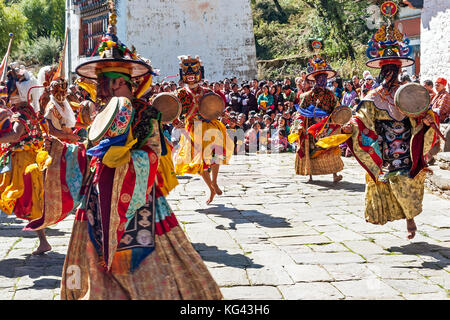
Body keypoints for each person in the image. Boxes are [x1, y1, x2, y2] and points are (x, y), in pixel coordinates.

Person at [60, 14, 222, 299]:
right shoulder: (101, 113)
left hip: (139, 198)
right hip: (98, 195)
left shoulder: (146, 113)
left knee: (152, 267)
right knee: (91, 260)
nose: (96, 89)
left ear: (117, 84)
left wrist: (121, 159)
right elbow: (91, 151)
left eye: (102, 83)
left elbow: (153, 154)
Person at [343, 24, 440, 240]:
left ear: (398, 70)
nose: (389, 74)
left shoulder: (409, 92)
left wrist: (426, 119)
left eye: (393, 70)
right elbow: (362, 118)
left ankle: (410, 218)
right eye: (385, 70)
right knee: (387, 180)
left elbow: (426, 112)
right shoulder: (372, 95)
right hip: (383, 147)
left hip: (408, 142)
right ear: (380, 71)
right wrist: (352, 126)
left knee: (404, 179)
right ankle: (396, 216)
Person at [174, 55, 234, 205]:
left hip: (211, 125)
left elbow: (217, 107)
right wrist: (176, 122)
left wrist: (227, 117)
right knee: (199, 163)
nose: (191, 77)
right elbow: (172, 110)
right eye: (188, 75)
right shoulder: (180, 94)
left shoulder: (207, 91)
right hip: (193, 129)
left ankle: (214, 182)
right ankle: (211, 187)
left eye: (194, 74)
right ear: (184, 76)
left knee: (216, 155)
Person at [289, 55, 344, 183]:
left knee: (330, 148)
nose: (322, 81)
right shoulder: (307, 96)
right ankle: (310, 174)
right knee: (310, 150)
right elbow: (300, 112)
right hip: (311, 127)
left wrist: (340, 119)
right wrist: (298, 125)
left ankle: (334, 174)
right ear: (315, 81)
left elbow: (337, 109)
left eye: (324, 79)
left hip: (327, 126)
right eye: (320, 79)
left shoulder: (330, 94)